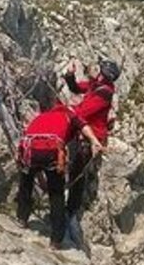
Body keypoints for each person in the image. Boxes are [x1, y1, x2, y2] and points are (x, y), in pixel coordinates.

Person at [16, 92, 103, 250]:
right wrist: (95, 141)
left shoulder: (43, 116)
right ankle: (56, 240)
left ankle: (22, 218)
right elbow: (84, 127)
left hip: (29, 148)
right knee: (56, 194)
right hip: (51, 150)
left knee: (26, 182)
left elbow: (30, 132)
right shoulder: (70, 115)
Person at [63, 58, 120, 218]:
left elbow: (84, 112)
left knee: (78, 171)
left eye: (98, 69)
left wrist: (69, 109)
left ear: (103, 74)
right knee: (74, 167)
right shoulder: (96, 85)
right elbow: (76, 87)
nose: (95, 70)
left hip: (91, 136)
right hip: (83, 129)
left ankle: (71, 210)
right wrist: (69, 76)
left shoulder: (104, 92)